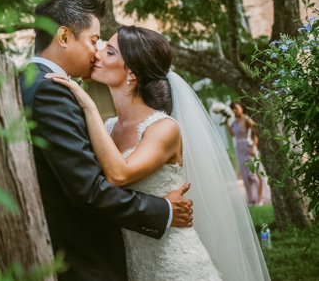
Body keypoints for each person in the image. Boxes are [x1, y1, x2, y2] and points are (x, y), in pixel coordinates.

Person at [49, 25, 270, 280]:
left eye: (109, 52)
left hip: (177, 266)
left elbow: (118, 175)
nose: (97, 55)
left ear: (131, 72)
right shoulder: (108, 128)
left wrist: (87, 105)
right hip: (134, 266)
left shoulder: (163, 128)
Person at [19, 0, 193, 280]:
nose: (96, 52)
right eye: (94, 40)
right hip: (84, 258)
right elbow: (88, 189)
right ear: (63, 37)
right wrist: (163, 209)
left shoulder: (29, 82)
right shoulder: (51, 91)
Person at [227, 101, 272, 206]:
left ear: (241, 107)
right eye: (232, 109)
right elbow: (233, 134)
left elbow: (255, 135)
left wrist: (252, 148)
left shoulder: (247, 119)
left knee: (257, 173)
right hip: (240, 149)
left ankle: (260, 198)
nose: (234, 110)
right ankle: (251, 198)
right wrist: (227, 124)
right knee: (245, 175)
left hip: (249, 147)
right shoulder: (234, 122)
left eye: (236, 108)